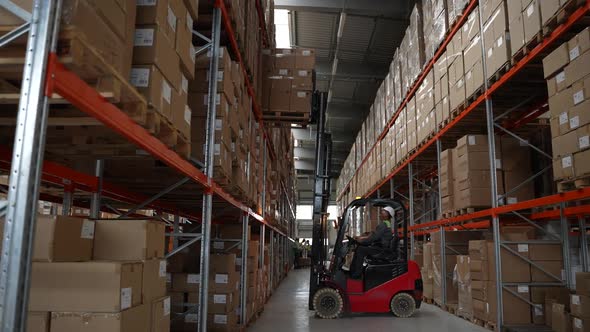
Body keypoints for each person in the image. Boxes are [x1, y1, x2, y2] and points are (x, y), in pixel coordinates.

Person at [350, 206, 395, 278]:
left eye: (383, 211)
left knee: (360, 250)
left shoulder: (384, 225)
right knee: (360, 248)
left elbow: (374, 238)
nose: (380, 213)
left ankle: (356, 274)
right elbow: (373, 235)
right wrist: (361, 238)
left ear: (387, 214)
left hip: (380, 249)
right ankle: (353, 271)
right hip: (380, 247)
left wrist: (362, 240)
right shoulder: (386, 224)